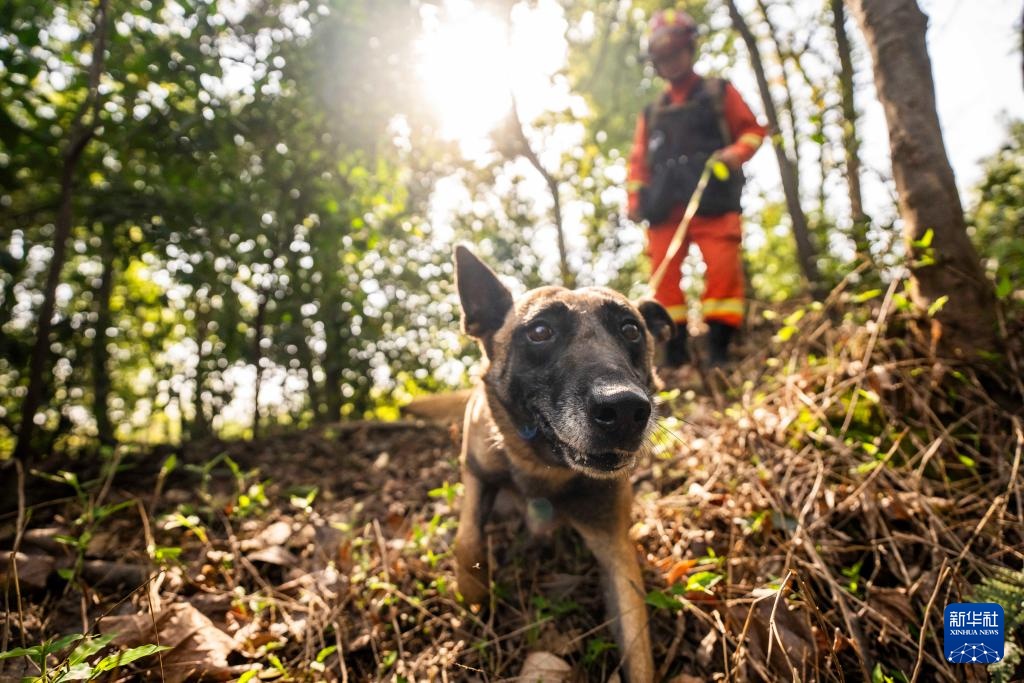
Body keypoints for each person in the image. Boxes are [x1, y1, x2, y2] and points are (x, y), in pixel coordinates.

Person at [627, 8, 766, 368]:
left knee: (723, 269)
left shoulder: (718, 93)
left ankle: (719, 349)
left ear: (689, 50)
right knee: (664, 279)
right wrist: (634, 199)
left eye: (675, 52)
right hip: (663, 208)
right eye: (662, 57)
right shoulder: (651, 112)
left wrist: (734, 154)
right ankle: (674, 353)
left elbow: (752, 130)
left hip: (713, 200)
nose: (670, 62)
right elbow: (638, 162)